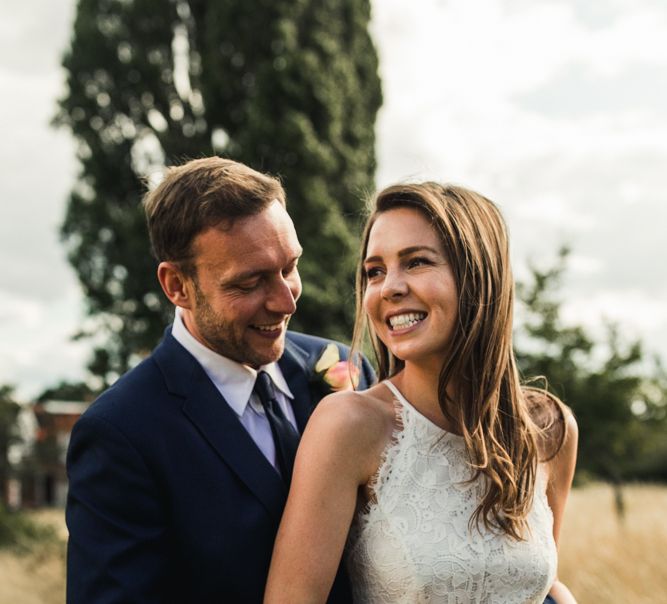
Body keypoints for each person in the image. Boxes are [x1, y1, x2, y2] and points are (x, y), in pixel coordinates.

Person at [65, 157, 375, 603]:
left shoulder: (347, 368)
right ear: (177, 286)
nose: (286, 301)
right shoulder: (121, 435)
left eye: (290, 267)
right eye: (251, 283)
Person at [265, 182, 579, 603]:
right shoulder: (350, 426)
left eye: (416, 262)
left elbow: (542, 584)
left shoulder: (548, 430)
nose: (388, 287)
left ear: (479, 278)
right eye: (375, 271)